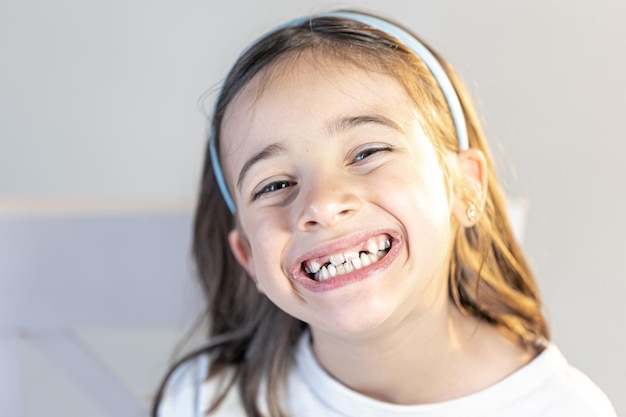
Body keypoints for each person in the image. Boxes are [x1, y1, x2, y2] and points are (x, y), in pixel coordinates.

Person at [153, 10, 616, 417]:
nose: (321, 204)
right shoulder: (204, 401)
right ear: (249, 255)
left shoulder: (563, 410)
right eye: (275, 185)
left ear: (464, 187)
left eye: (366, 152)